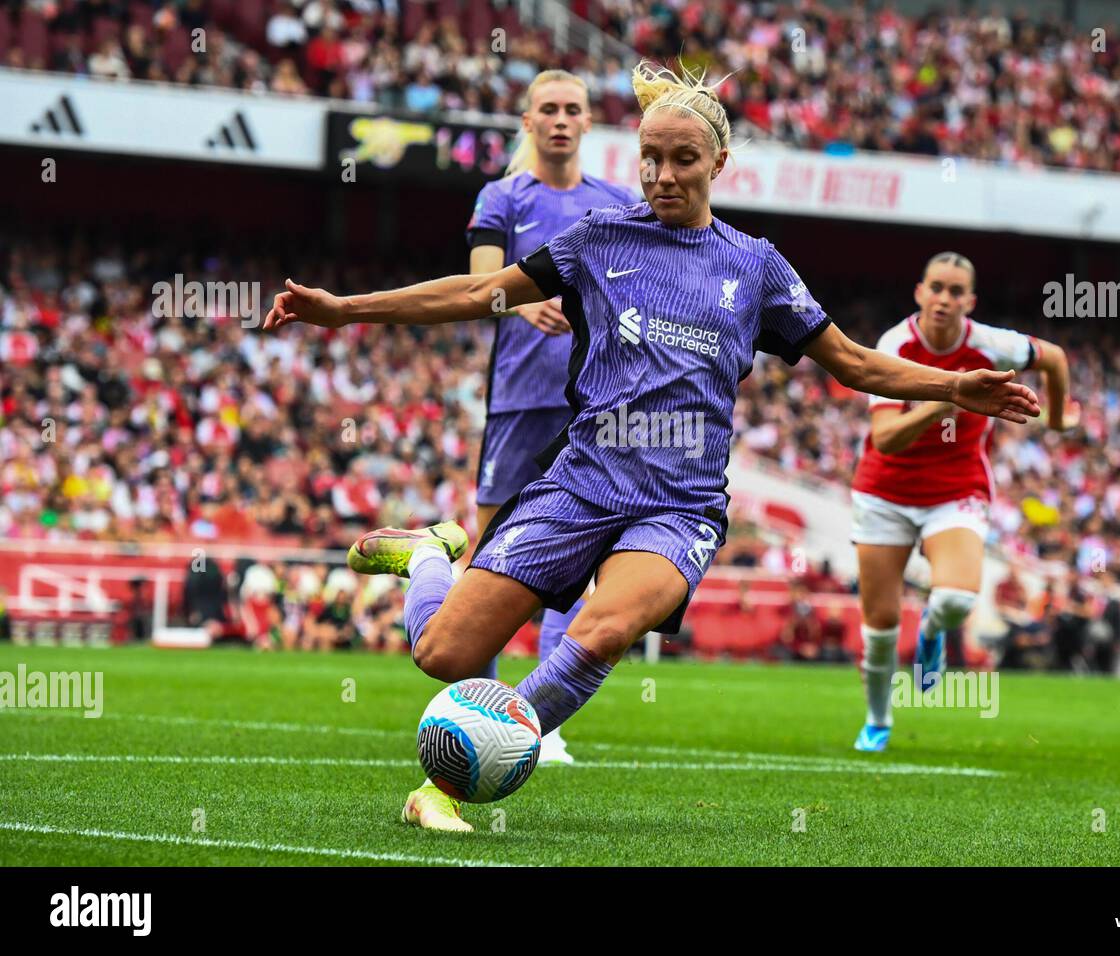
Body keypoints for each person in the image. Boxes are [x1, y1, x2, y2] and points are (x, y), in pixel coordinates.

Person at [262, 61, 1040, 831]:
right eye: (651, 159)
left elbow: (857, 363)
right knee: (443, 655)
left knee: (604, 629)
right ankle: (430, 554)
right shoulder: (597, 240)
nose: (663, 175)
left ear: (719, 163)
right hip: (582, 482)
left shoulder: (757, 266)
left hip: (679, 505)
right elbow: (476, 291)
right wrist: (345, 311)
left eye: (683, 160)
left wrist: (954, 386)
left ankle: (453, 781)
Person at [465, 68, 640, 765]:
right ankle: (481, 704)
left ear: (589, 122)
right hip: (516, 398)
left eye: (573, 109)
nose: (561, 119)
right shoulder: (502, 196)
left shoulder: (618, 202)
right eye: (548, 109)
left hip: (591, 405)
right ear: (528, 120)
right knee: (489, 555)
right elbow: (480, 289)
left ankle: (543, 719)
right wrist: (515, 300)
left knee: (578, 557)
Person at [848, 251, 1075, 752]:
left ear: (970, 302)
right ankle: (878, 720)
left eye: (956, 292)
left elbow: (1055, 358)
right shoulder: (895, 345)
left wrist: (1056, 419)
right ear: (919, 292)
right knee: (881, 624)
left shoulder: (992, 345)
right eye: (937, 288)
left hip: (956, 488)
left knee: (955, 599)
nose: (944, 299)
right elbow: (884, 439)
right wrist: (945, 398)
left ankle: (932, 633)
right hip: (885, 491)